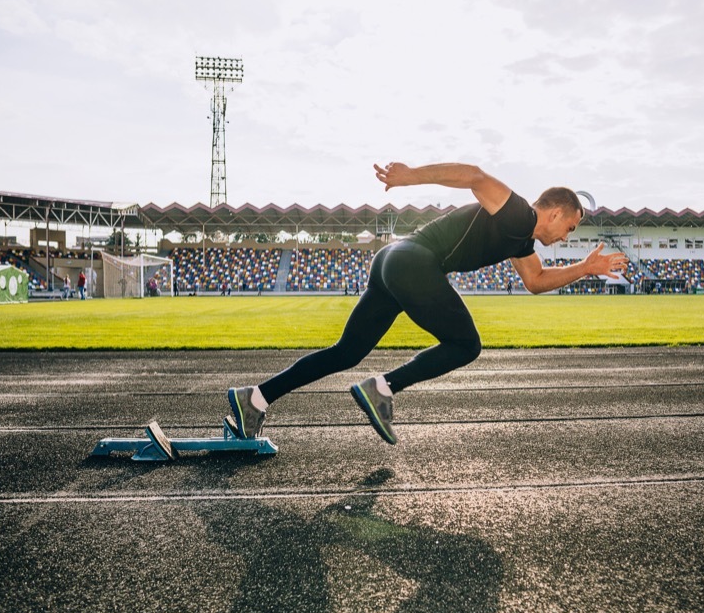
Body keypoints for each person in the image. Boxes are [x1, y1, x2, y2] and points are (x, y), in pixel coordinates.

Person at [226, 161, 628, 445]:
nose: (566, 237)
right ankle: (382, 389)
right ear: (555, 213)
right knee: (466, 344)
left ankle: (255, 398)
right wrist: (408, 177)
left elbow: (536, 282)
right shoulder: (520, 213)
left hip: (392, 260)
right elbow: (474, 176)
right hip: (414, 262)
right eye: (569, 227)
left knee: (347, 352)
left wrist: (585, 268)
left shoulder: (521, 238)